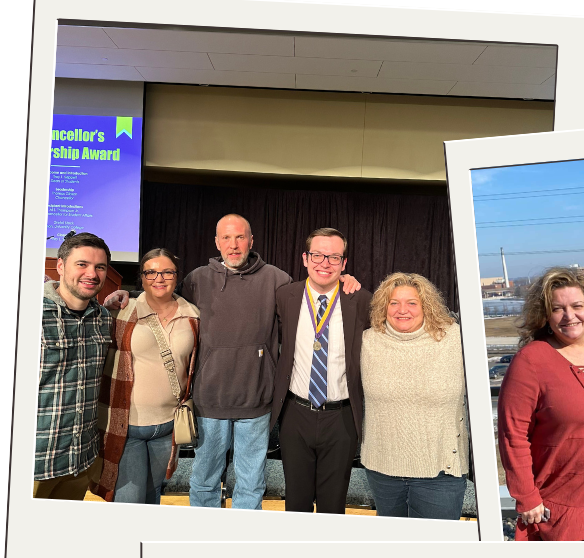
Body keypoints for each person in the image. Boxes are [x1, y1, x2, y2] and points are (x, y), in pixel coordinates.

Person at [176, 214, 359, 510]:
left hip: (257, 402)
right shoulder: (196, 280)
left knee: (251, 483)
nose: (233, 245)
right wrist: (125, 297)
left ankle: (247, 546)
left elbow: (314, 297)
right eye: (226, 237)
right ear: (216, 242)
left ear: (251, 240)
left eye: (240, 237)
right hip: (210, 401)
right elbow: (167, 307)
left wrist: (344, 280)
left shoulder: (277, 280)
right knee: (204, 481)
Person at [498, 267, 584, 540]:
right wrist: (526, 496)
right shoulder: (531, 361)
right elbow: (513, 435)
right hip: (559, 509)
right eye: (558, 308)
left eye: (577, 306)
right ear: (546, 316)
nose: (569, 316)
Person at [270, 229, 371, 514]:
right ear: (305, 258)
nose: (324, 263)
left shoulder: (360, 300)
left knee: (333, 505)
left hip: (341, 418)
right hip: (295, 414)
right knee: (297, 503)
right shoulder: (285, 296)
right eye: (317, 255)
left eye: (333, 257)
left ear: (344, 263)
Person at [91, 249, 199, 504]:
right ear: (141, 277)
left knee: (152, 501)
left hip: (168, 428)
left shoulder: (193, 316)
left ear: (176, 276)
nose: (159, 278)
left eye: (167, 272)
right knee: (129, 502)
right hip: (126, 428)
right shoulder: (122, 311)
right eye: (151, 272)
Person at [360, 273, 470, 521]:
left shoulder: (456, 339)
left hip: (441, 474)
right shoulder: (367, 340)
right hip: (382, 471)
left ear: (427, 305)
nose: (402, 310)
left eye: (412, 303)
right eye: (393, 302)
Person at [35, 231, 113, 499]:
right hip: (34, 463)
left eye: (100, 267)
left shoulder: (103, 317)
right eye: (82, 264)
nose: (92, 273)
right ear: (60, 265)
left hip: (80, 461)